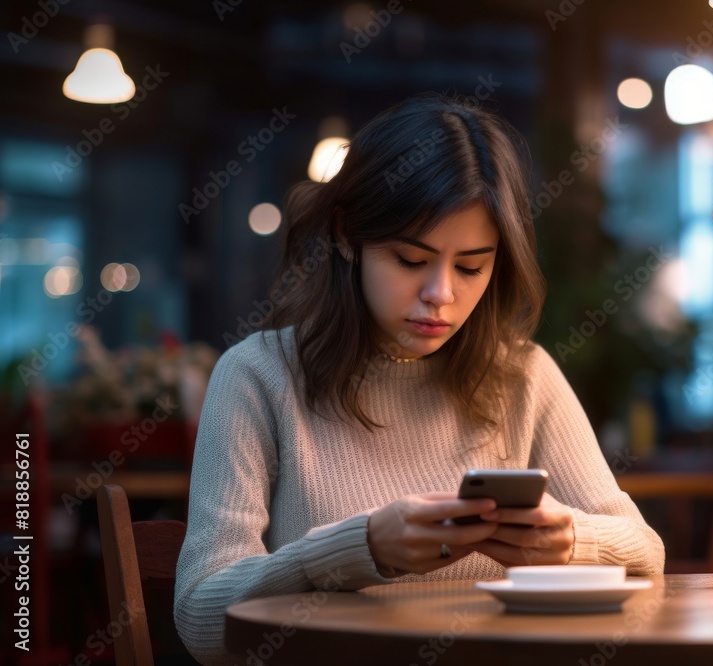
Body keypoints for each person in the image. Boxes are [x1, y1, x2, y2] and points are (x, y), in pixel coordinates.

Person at [174, 93, 665, 665]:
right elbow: (201, 620)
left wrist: (572, 540)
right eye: (411, 260)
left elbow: (646, 552)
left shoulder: (522, 375)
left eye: (471, 266)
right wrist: (358, 550)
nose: (441, 294)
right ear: (344, 235)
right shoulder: (258, 377)